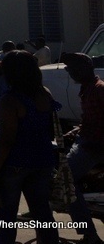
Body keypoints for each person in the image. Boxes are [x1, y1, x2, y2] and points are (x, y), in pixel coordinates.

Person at [0, 50, 59, 244]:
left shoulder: (10, 100)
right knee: (42, 213)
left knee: (7, 216)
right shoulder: (44, 93)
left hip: (15, 164)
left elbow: (6, 141)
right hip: (42, 161)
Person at [61, 52, 104, 244]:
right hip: (86, 139)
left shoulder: (99, 89)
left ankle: (90, 235)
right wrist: (77, 130)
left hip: (94, 146)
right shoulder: (87, 89)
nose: (70, 73)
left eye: (72, 69)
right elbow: (93, 119)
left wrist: (90, 139)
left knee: (65, 180)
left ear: (83, 69)